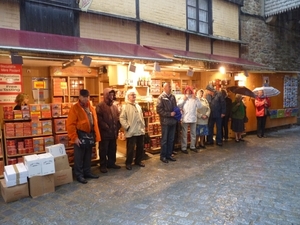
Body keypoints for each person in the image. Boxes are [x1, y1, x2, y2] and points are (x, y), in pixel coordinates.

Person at [66, 89, 101, 184]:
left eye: (87, 97)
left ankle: (87, 172)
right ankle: (79, 175)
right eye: (84, 97)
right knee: (79, 157)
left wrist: (95, 135)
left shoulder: (91, 107)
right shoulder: (75, 108)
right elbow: (70, 125)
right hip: (80, 136)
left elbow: (94, 121)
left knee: (87, 156)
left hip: (89, 135)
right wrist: (75, 138)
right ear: (80, 97)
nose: (86, 99)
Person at [96, 88, 121, 173]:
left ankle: (111, 163)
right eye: (110, 94)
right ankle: (103, 165)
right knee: (103, 149)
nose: (111, 96)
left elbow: (118, 117)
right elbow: (99, 119)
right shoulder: (100, 106)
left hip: (113, 132)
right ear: (106, 95)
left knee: (113, 149)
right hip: (105, 133)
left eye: (112, 95)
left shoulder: (114, 106)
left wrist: (118, 126)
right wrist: (106, 127)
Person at [119, 89, 146, 170]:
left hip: (140, 130)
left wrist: (143, 125)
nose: (134, 96)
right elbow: (122, 118)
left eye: (134, 94)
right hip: (131, 131)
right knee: (130, 148)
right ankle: (128, 163)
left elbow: (141, 117)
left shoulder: (138, 106)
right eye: (132, 95)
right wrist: (127, 127)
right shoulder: (125, 107)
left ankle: (138, 161)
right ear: (128, 96)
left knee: (140, 147)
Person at [156, 83, 178, 163]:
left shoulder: (172, 97)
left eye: (170, 87)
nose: (170, 88)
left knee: (171, 139)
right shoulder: (161, 97)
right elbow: (159, 110)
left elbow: (175, 107)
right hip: (165, 122)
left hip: (173, 121)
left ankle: (169, 155)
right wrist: (169, 114)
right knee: (164, 140)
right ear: (164, 88)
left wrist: (177, 112)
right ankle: (163, 156)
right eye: (169, 87)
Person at [177, 86, 202, 154]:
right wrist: (183, 100)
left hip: (193, 118)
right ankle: (184, 147)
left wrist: (196, 99)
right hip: (185, 118)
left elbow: (200, 106)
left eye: (189, 90)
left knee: (193, 133)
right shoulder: (183, 97)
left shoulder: (195, 98)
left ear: (191, 91)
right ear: (185, 91)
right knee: (184, 134)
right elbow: (178, 105)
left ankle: (192, 146)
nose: (188, 92)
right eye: (187, 91)